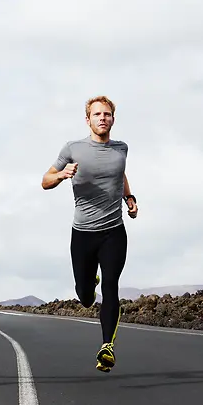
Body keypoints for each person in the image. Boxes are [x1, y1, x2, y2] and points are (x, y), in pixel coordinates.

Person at [42, 95, 138, 372]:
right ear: (88, 119)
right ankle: (87, 287)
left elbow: (120, 175)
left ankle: (107, 347)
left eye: (107, 114)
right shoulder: (73, 149)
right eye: (97, 114)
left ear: (113, 119)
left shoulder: (121, 149)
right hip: (83, 233)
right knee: (85, 295)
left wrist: (129, 199)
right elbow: (44, 180)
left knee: (111, 287)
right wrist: (61, 175)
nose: (102, 118)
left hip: (114, 232)